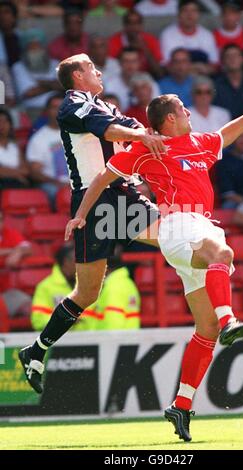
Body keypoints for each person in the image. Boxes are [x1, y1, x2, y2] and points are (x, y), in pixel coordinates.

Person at [65, 80, 243, 441]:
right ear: (169, 119)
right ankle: (230, 320)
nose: (188, 112)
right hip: (178, 224)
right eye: (183, 108)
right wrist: (81, 215)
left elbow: (226, 133)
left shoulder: (200, 142)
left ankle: (181, 405)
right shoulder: (151, 147)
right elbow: (104, 176)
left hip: (200, 227)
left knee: (205, 327)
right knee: (223, 255)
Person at [18, 52, 164, 396]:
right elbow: (111, 131)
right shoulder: (72, 106)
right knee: (87, 293)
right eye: (91, 68)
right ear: (77, 77)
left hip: (119, 195)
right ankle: (36, 350)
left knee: (176, 239)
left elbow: (130, 127)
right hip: (96, 201)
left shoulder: (104, 106)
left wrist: (162, 136)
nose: (98, 71)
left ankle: (220, 315)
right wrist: (143, 138)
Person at [31, 244, 101, 331]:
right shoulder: (46, 287)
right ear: (66, 263)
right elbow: (38, 321)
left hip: (93, 340)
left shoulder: (92, 284)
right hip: (61, 342)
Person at [26, 93, 68, 206]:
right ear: (47, 111)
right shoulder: (38, 139)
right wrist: (57, 183)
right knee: (55, 192)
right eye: (54, 107)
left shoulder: (77, 134)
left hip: (77, 184)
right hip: (52, 185)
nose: (59, 111)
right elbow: (35, 172)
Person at [160, 0, 218, 75]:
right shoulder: (168, 34)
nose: (190, 15)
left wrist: (206, 69)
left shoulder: (207, 35)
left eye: (194, 11)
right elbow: (166, 65)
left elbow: (214, 65)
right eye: (185, 10)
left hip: (203, 77)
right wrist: (194, 68)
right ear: (178, 14)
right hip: (176, 77)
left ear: (199, 14)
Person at [214, 43, 243, 119]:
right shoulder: (216, 85)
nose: (232, 59)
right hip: (225, 127)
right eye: (228, 56)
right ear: (223, 61)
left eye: (236, 55)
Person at [0, 108, 29, 189]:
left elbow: (26, 170)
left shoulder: (15, 146)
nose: (2, 125)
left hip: (16, 183)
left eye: (5, 121)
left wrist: (8, 172)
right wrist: (17, 175)